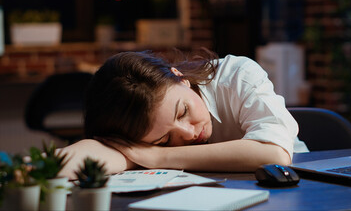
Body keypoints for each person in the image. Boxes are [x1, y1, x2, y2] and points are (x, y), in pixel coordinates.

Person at [59, 49, 308, 179]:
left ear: (180, 77)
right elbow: (93, 152)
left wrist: (157, 155)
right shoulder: (139, 132)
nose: (190, 133)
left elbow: (274, 154)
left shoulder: (237, 75)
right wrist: (35, 169)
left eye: (183, 111)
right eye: (164, 140)